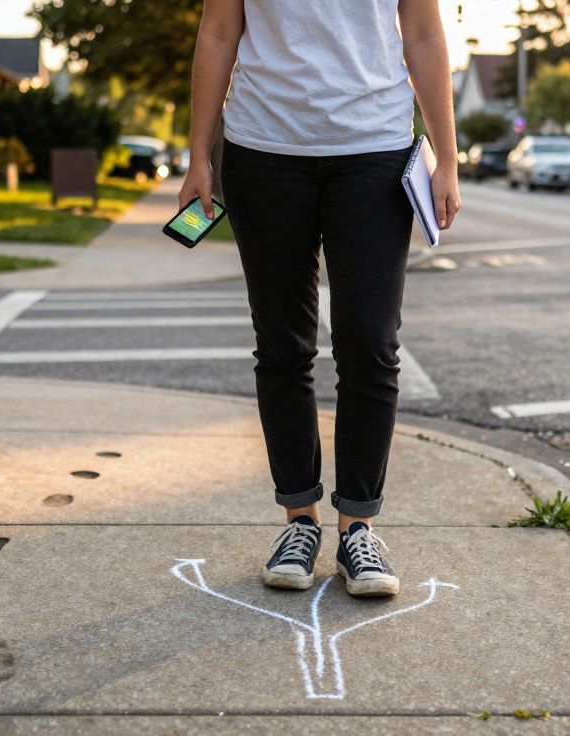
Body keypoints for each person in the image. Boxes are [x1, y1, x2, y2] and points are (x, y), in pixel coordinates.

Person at [180, 0, 460, 598]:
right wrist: (199, 155)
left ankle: (358, 527)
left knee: (371, 343)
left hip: (375, 148)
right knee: (283, 345)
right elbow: (219, 32)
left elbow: (423, 34)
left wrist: (448, 158)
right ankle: (299, 521)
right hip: (262, 149)